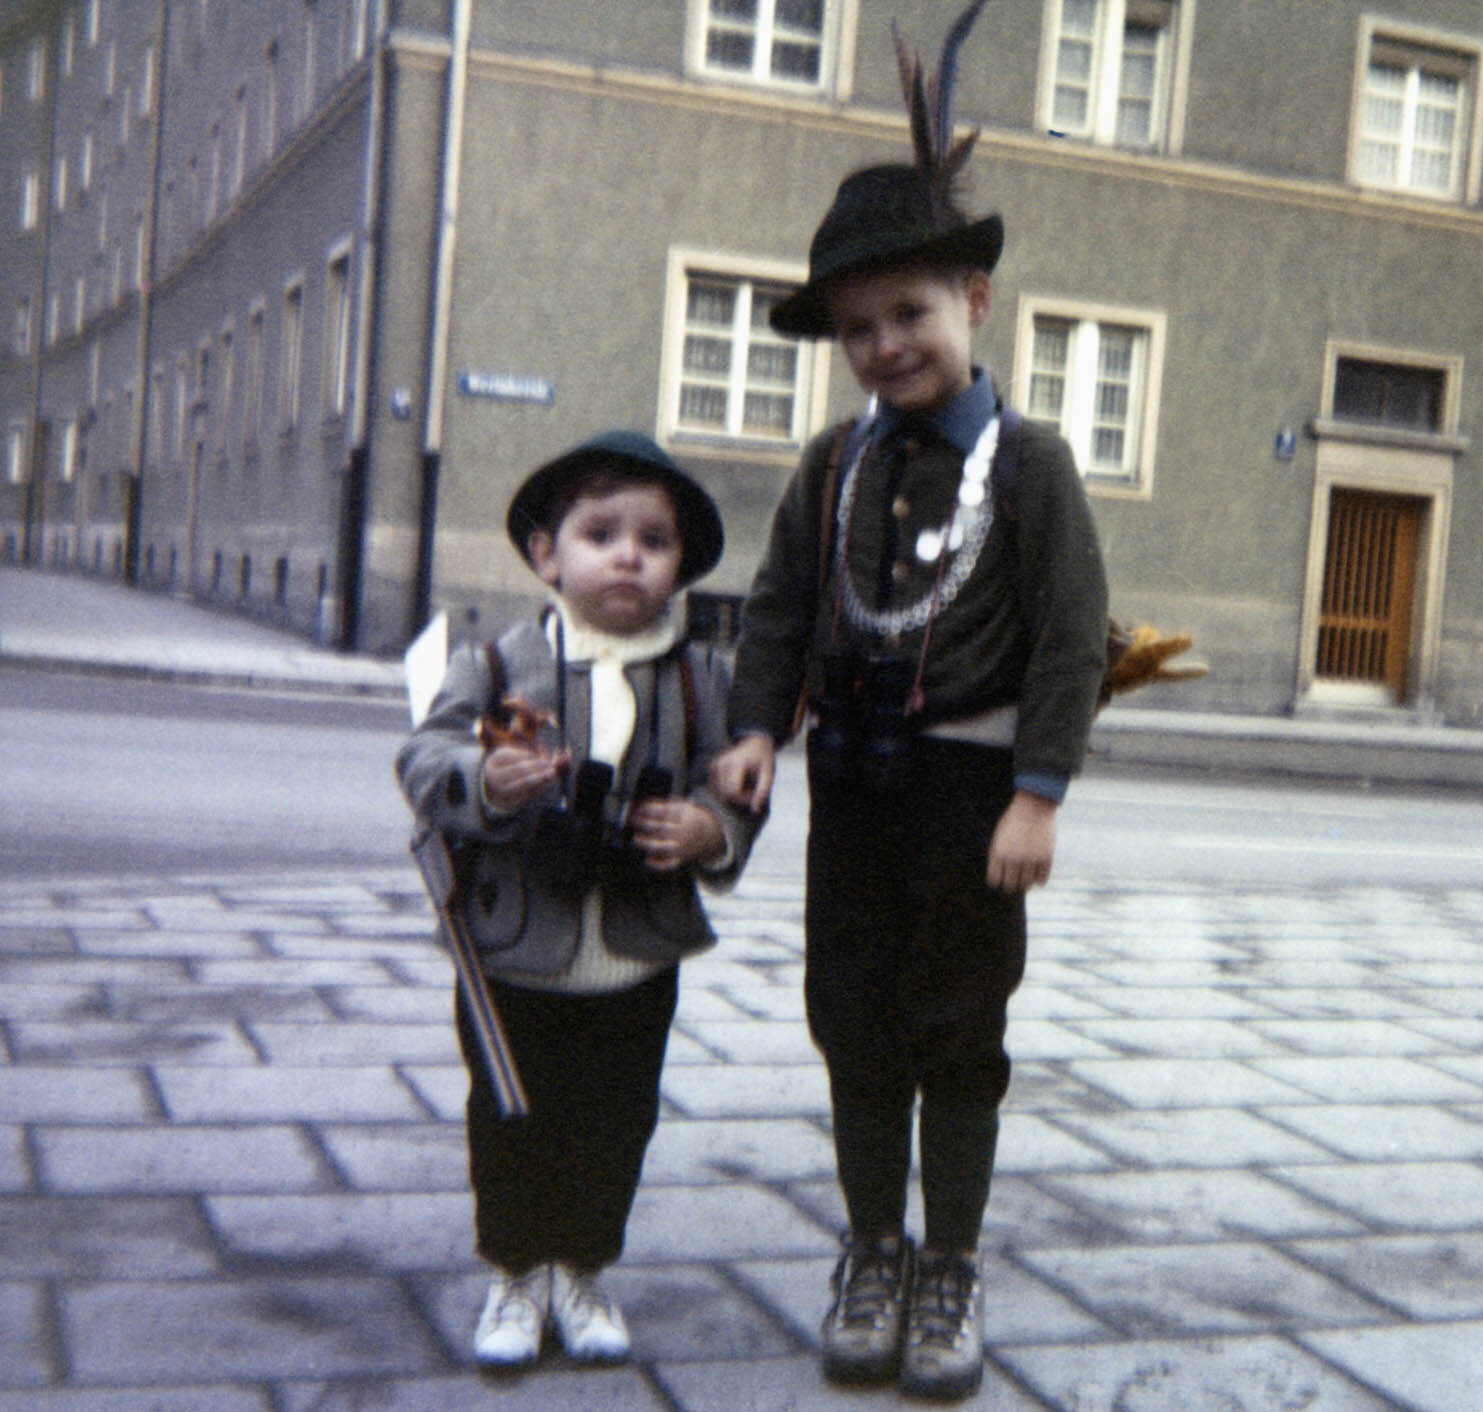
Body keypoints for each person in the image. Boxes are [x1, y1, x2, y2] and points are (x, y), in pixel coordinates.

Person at [710, 5, 1109, 1399]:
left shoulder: (1037, 463)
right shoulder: (834, 468)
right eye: (858, 328)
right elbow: (777, 611)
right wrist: (758, 729)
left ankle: (949, 1262)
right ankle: (869, 1247)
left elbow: (1073, 640)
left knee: (959, 1029)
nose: (886, 346)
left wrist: (1038, 795)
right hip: (855, 796)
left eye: (912, 314)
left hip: (972, 803)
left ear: (976, 305)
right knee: (854, 1020)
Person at [397, 430, 760, 1369]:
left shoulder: (699, 676)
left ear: (682, 565)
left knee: (617, 1117)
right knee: (511, 1112)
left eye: (655, 539)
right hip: (515, 949)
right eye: (602, 533)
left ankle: (583, 1267)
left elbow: (738, 786)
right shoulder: (498, 662)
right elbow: (423, 758)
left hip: (636, 952)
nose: (630, 554)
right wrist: (489, 779)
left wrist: (711, 831)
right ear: (546, 554)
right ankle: (515, 1271)